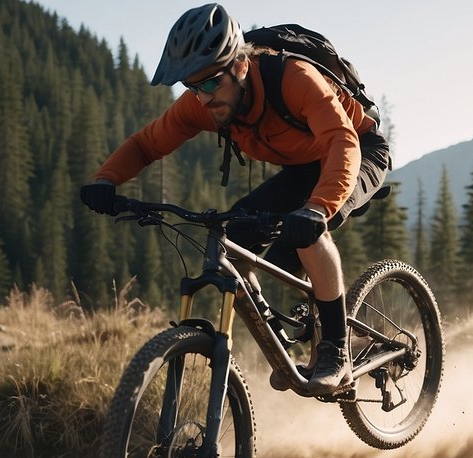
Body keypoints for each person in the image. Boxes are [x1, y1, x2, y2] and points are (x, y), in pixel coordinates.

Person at [79, 3, 391, 395]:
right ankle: (285, 339)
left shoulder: (293, 78)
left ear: (240, 67)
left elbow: (341, 141)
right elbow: (146, 145)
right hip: (305, 164)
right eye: (191, 86)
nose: (202, 97)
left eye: (209, 83)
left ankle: (335, 351)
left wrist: (318, 208)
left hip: (357, 149)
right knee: (239, 241)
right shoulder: (204, 102)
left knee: (307, 232)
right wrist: (105, 180)